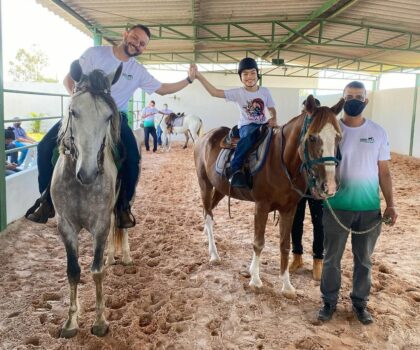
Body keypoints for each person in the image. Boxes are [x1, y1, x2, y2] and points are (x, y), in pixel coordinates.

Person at [26, 24, 197, 227]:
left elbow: (163, 89)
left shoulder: (137, 71)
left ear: (144, 49)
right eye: (134, 38)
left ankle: (123, 207)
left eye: (142, 44)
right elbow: (68, 80)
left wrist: (189, 79)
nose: (137, 44)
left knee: (133, 157)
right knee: (44, 146)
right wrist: (80, 105)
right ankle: (46, 200)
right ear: (125, 35)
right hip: (84, 112)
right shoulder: (94, 54)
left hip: (114, 117)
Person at [318, 81, 398, 325]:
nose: (354, 99)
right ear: (342, 100)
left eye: (358, 96)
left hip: (369, 209)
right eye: (349, 96)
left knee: (364, 260)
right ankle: (329, 302)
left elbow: (384, 172)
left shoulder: (378, 132)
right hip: (336, 206)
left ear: (366, 100)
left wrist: (391, 204)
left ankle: (360, 304)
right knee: (332, 259)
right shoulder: (332, 131)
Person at [195, 57, 277, 187]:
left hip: (264, 124)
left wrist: (274, 118)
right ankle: (236, 169)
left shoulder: (265, 91)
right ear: (240, 77)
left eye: (252, 73)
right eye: (245, 74)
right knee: (249, 139)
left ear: (257, 74)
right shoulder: (238, 93)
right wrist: (199, 76)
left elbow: (271, 108)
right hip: (247, 126)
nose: (249, 76)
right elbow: (214, 92)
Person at [289, 98, 324, 281]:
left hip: (316, 183)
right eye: (305, 110)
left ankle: (318, 261)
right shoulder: (297, 132)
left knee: (319, 223)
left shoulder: (320, 134)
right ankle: (297, 257)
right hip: (298, 183)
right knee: (296, 220)